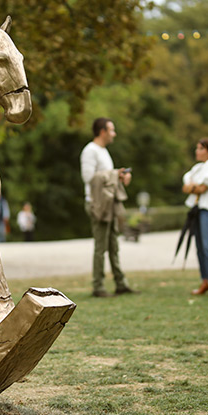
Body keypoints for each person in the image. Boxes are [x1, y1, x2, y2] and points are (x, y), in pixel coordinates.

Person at [80, 117, 136, 298]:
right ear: (102, 131)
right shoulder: (90, 151)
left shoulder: (103, 151)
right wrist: (115, 173)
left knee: (114, 245)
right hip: (97, 205)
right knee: (101, 247)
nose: (114, 134)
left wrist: (120, 176)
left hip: (109, 204)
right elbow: (89, 177)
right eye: (111, 130)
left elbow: (105, 178)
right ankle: (98, 286)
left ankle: (121, 283)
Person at [182, 137, 208, 297]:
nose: (197, 151)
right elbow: (187, 185)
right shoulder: (197, 168)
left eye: (200, 148)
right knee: (199, 246)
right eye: (197, 148)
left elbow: (202, 187)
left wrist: (194, 187)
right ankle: (205, 281)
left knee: (207, 246)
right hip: (196, 209)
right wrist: (194, 187)